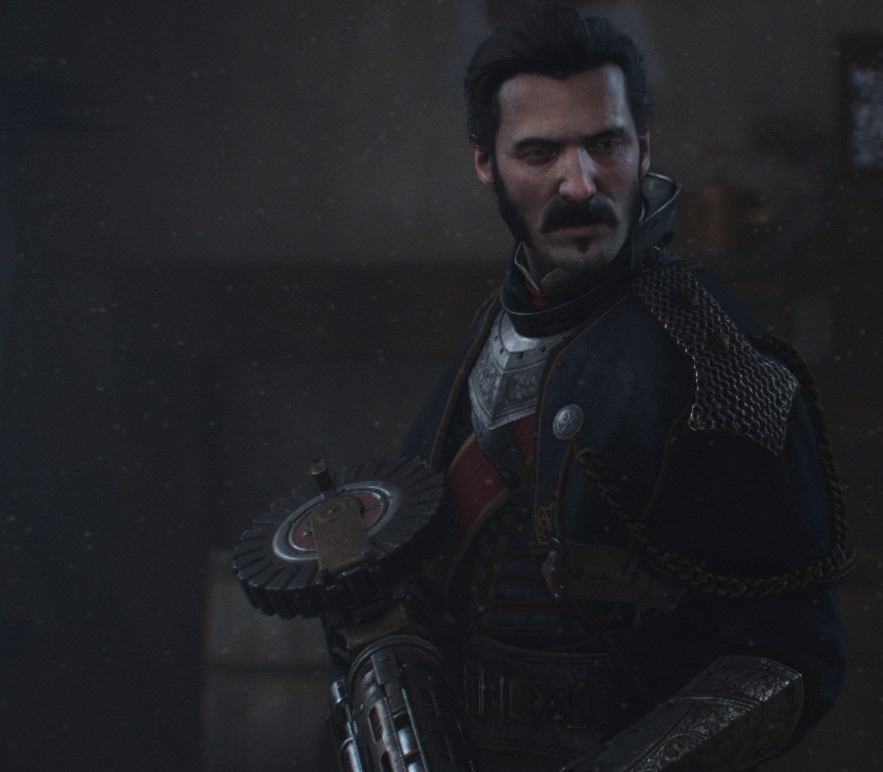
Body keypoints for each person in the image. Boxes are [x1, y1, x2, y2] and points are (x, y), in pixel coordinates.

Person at [343, 7, 850, 771]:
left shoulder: (721, 367)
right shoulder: (495, 328)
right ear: (485, 163)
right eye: (539, 152)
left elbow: (792, 659)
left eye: (604, 145)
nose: (578, 184)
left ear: (643, 149)